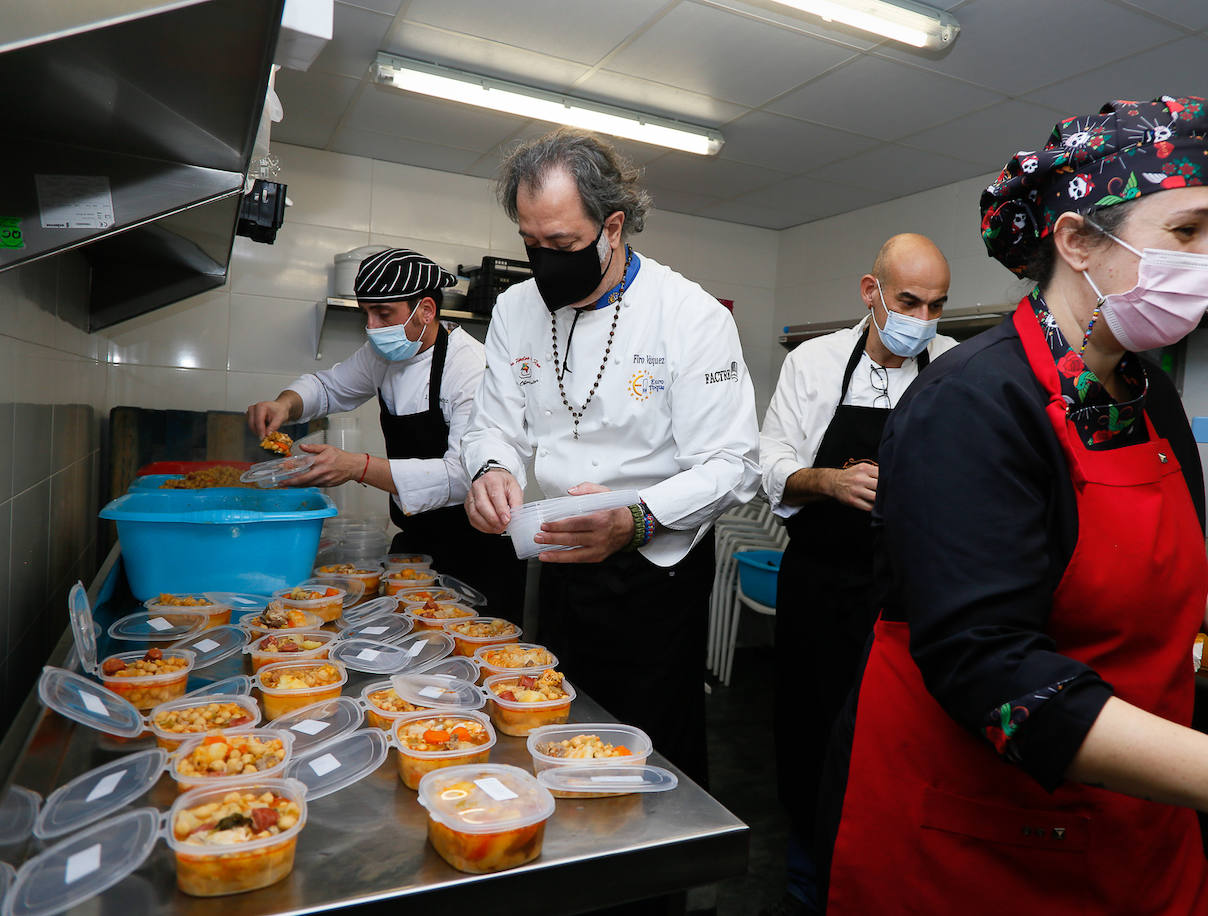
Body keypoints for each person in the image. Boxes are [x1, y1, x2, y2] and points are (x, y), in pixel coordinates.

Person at [818, 97, 1208, 915]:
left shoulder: (1148, 391)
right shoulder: (970, 404)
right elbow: (988, 669)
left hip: (1138, 822)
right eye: (1186, 231)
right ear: (1077, 240)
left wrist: (1205, 601)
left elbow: (1084, 550)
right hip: (984, 842)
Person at [462, 128, 760, 787]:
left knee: (649, 753)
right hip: (559, 560)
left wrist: (637, 519)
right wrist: (490, 470)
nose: (546, 264)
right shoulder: (516, 309)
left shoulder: (691, 316)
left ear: (613, 226)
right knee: (563, 731)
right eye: (531, 245)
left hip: (654, 574)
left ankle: (654, 882)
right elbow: (492, 423)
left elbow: (733, 465)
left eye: (563, 245)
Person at [758, 233, 955, 912]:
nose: (923, 319)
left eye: (936, 306)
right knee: (814, 729)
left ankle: (885, 880)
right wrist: (827, 481)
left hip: (910, 588)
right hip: (820, 579)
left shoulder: (954, 368)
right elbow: (771, 458)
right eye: (909, 301)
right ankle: (807, 877)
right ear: (871, 293)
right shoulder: (814, 363)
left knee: (897, 738)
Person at [245, 248, 526, 617]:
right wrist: (285, 404)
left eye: (383, 314)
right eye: (367, 314)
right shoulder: (383, 356)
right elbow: (329, 388)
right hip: (418, 546)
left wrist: (357, 467)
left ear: (426, 310)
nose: (372, 328)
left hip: (479, 553)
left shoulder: (469, 366)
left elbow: (462, 476)